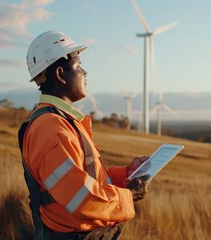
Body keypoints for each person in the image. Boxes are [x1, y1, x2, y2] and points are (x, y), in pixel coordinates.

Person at [18, 30, 150, 240]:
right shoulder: (52, 129)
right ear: (60, 75)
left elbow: (83, 179)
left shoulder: (61, 121)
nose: (85, 73)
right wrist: (128, 195)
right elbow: (82, 198)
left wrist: (126, 175)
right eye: (78, 67)